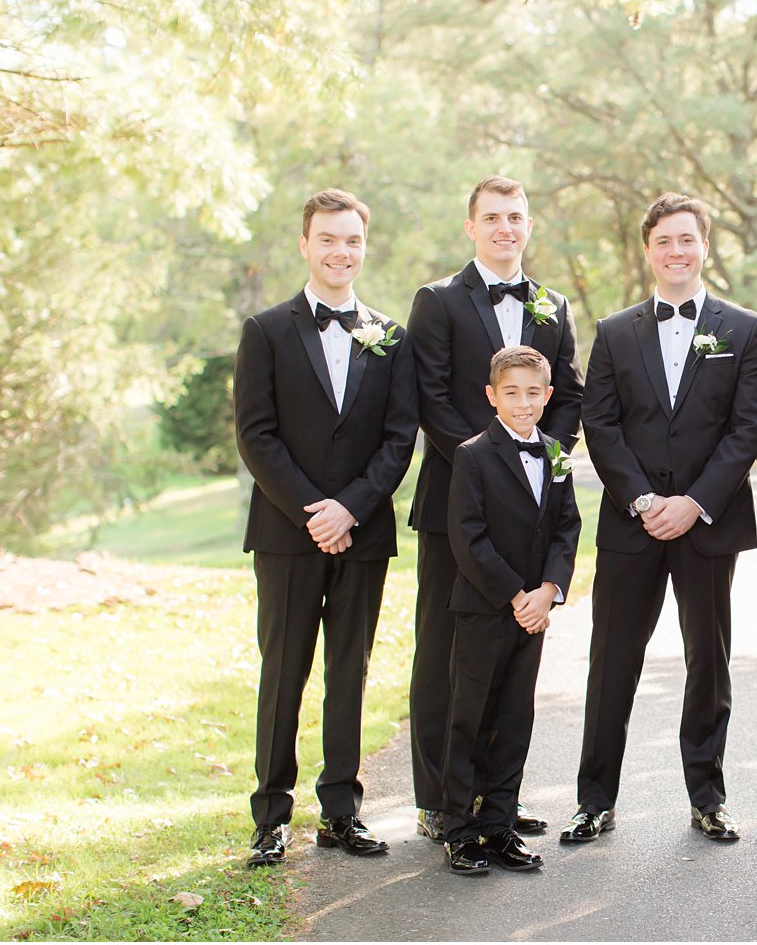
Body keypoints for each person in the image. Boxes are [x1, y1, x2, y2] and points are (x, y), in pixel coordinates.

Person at [561, 192, 757, 844]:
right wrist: (646, 501)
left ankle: (708, 797)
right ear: (649, 250)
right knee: (612, 659)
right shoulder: (615, 331)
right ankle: (594, 799)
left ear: (704, 245)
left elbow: (747, 427)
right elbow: (600, 422)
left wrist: (695, 502)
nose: (677, 251)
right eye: (665, 242)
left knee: (708, 661)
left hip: (709, 522)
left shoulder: (745, 329)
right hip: (634, 522)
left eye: (688, 240)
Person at [234, 188, 418, 867]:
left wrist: (352, 508)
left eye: (353, 240)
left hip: (363, 534)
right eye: (329, 239)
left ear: (364, 247)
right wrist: (316, 511)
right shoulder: (266, 331)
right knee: (284, 671)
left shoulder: (392, 336)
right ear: (305, 245)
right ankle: (271, 816)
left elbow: (400, 439)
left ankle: (341, 809)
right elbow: (256, 436)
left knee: (351, 671)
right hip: (287, 534)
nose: (342, 251)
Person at [406, 176, 583, 842]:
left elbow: (568, 397)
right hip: (456, 505)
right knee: (448, 655)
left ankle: (493, 800)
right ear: (471, 226)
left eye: (515, 217)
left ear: (527, 225)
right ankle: (438, 799)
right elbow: (430, 400)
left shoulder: (552, 305)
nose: (505, 227)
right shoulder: (438, 301)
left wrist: (543, 462)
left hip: (532, 516)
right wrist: (494, 464)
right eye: (492, 217)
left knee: (511, 656)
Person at [440, 346, 581, 876]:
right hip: (486, 606)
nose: (523, 403)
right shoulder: (473, 455)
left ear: (548, 396)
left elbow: (567, 527)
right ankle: (460, 829)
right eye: (511, 393)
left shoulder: (555, 453)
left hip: (534, 610)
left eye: (533, 393)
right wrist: (515, 595)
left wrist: (548, 590)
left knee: (515, 717)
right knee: (471, 719)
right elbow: (467, 536)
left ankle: (499, 825)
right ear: (491, 396)